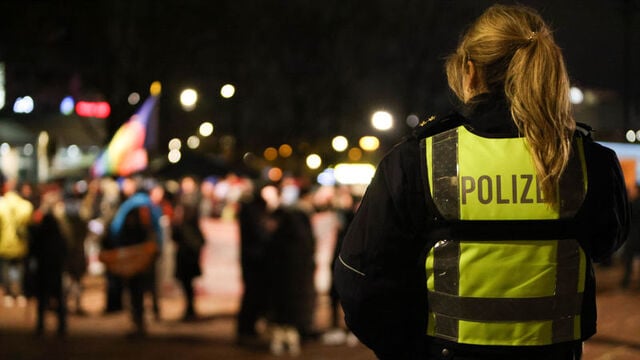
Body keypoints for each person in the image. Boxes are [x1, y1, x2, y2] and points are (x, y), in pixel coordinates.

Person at [334, 4, 629, 360]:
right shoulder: (590, 162)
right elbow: (604, 243)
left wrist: (412, 349)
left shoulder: (417, 161)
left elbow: (360, 282)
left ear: (470, 71)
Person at [172, 176, 205, 321]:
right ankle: (189, 308)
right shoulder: (181, 203)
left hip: (189, 248)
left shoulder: (192, 205)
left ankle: (190, 308)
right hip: (186, 247)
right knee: (185, 280)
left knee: (187, 279)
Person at [621, 184, 640, 289]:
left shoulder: (633, 204)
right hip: (636, 235)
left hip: (634, 236)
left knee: (629, 259)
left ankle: (626, 281)